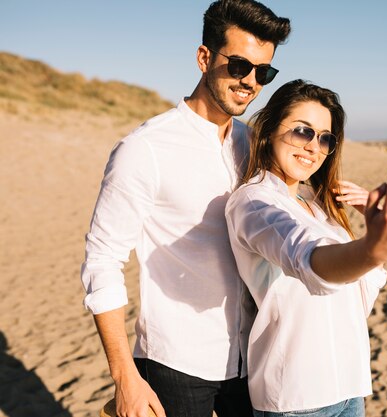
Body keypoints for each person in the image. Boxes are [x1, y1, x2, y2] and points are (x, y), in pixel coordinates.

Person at [80, 1, 290, 416]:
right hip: (175, 363)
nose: (250, 81)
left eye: (263, 72)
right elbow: (102, 261)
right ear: (204, 57)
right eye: (239, 66)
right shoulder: (144, 150)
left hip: (251, 358)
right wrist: (125, 379)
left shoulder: (254, 145)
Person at [225, 79, 387, 416]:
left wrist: (372, 234)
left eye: (325, 138)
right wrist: (374, 249)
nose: (313, 147)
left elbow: (355, 300)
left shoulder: (318, 204)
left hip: (349, 385)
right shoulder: (255, 202)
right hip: (297, 398)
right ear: (268, 130)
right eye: (302, 131)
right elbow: (306, 257)